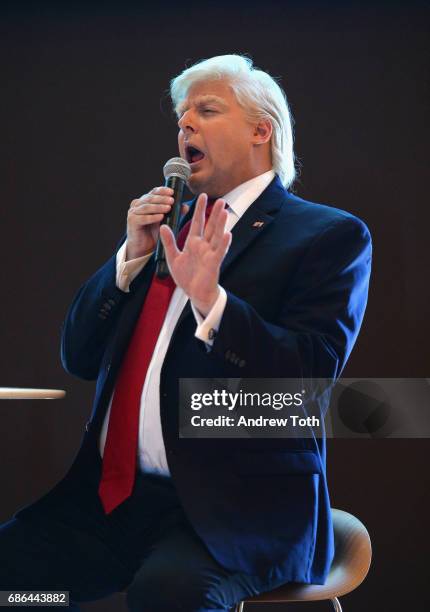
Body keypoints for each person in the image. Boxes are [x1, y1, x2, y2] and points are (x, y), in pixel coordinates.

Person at [0, 54, 372, 611]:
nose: (185, 125)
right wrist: (128, 259)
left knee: (166, 595)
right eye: (180, 115)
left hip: (232, 516)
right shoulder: (166, 230)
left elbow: (309, 379)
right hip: (109, 506)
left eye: (206, 109)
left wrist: (211, 301)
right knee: (20, 592)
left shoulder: (327, 236)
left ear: (260, 130)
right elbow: (78, 356)